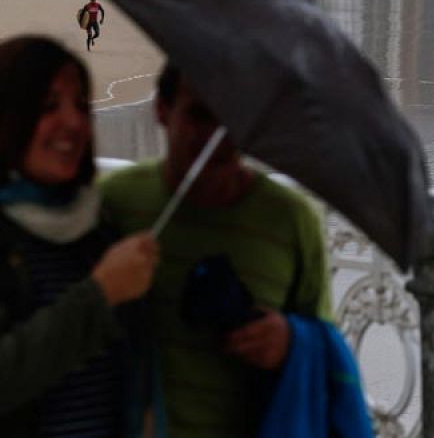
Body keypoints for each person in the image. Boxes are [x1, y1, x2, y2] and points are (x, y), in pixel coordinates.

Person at [0, 35, 159, 437]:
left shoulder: (92, 225)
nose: (74, 122)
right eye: (49, 106)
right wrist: (101, 294)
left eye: (81, 105)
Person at [101, 64, 332, 438]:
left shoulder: (292, 220)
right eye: (199, 114)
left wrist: (289, 341)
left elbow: (327, 345)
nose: (216, 136)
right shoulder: (117, 201)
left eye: (233, 116)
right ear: (162, 109)